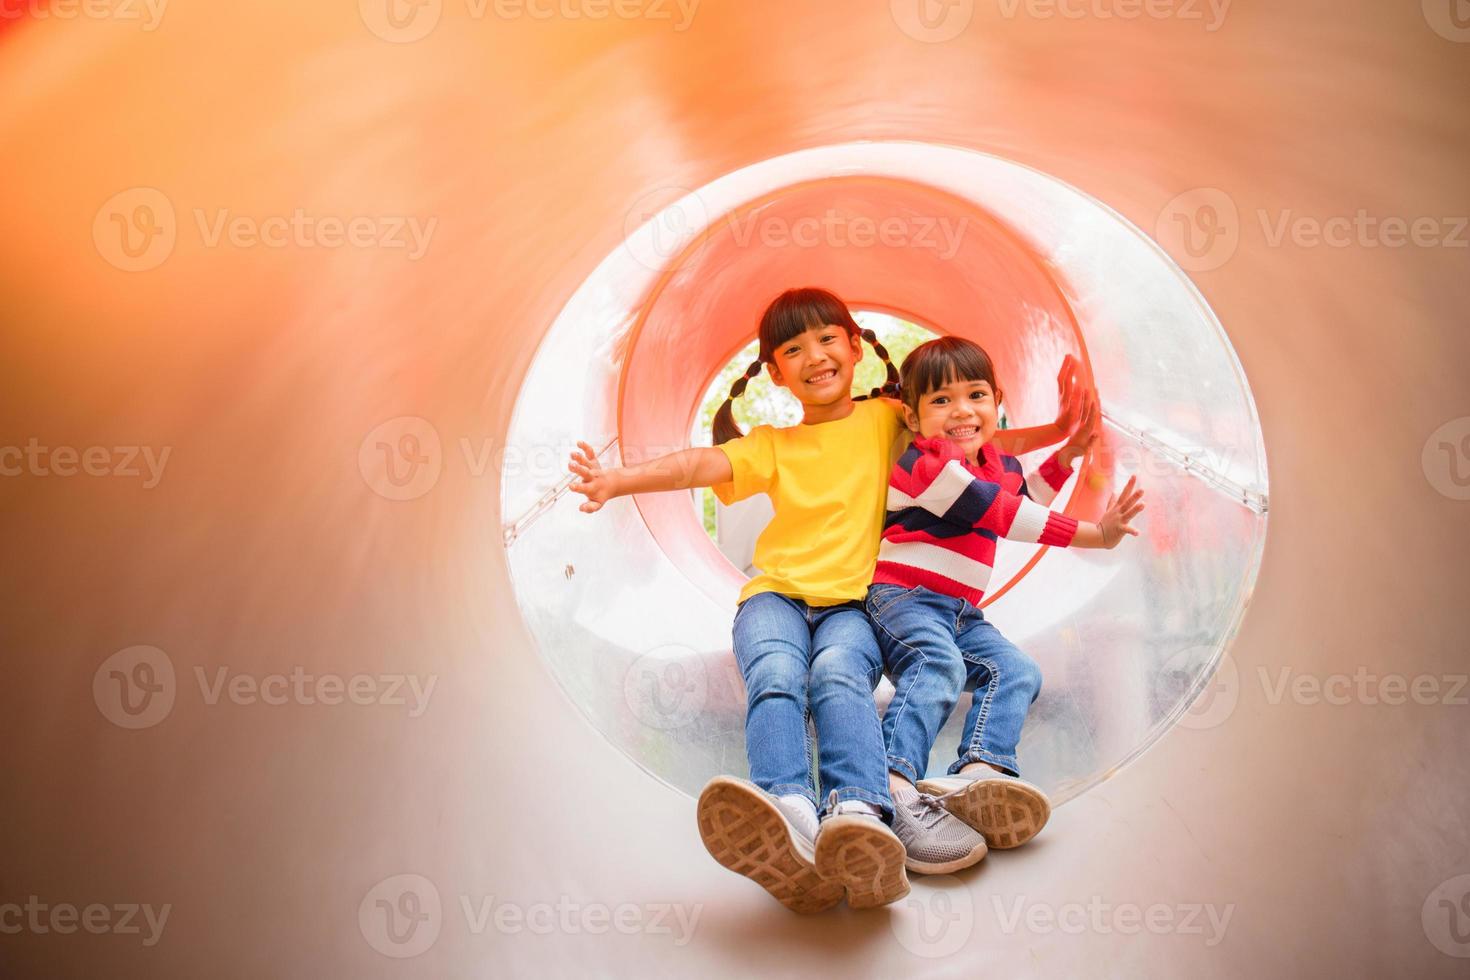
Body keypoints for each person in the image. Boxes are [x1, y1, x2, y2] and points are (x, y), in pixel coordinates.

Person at [568, 290, 1081, 911]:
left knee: (840, 676)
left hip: (857, 604)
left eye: (827, 338)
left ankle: (859, 812)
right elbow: (696, 466)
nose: (815, 355)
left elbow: (975, 437)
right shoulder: (773, 445)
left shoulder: (891, 419)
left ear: (857, 346)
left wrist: (1059, 433)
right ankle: (789, 812)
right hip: (776, 596)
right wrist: (617, 480)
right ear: (775, 372)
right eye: (793, 348)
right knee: (778, 676)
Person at [865, 336, 1145, 874]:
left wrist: (1068, 454)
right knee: (938, 666)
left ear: (998, 401)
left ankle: (979, 774)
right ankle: (892, 781)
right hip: (903, 598)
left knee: (1015, 669)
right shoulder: (926, 464)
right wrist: (1095, 533)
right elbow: (1003, 516)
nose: (962, 411)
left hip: (959, 611)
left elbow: (1025, 497)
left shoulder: (996, 463)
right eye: (941, 401)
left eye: (975, 395)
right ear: (913, 415)